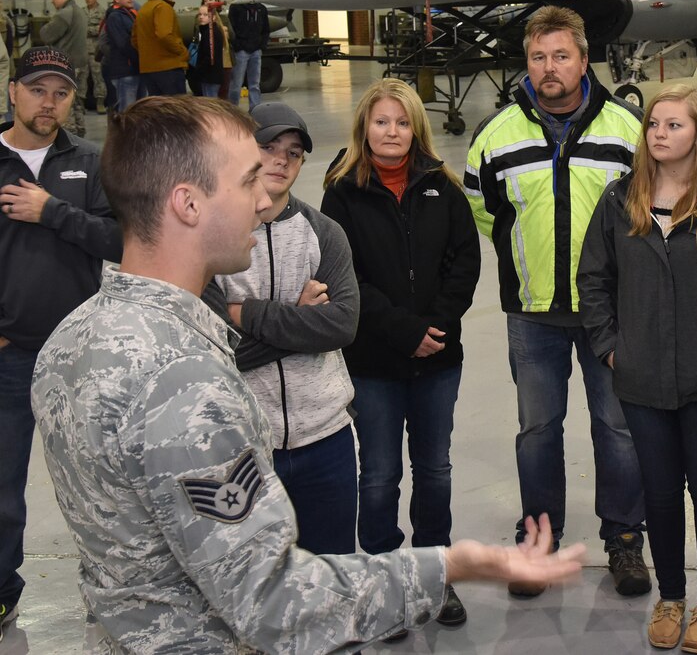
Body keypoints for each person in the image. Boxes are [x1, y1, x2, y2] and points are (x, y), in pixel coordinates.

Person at [30, 96, 585, 653]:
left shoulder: (73, 338)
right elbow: (275, 604)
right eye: (248, 180)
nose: (264, 197)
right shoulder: (185, 382)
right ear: (188, 204)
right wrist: (454, 565)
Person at [465, 5, 650, 599]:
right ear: (527, 63)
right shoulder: (496, 135)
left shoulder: (626, 130)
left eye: (561, 56)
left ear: (583, 59)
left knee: (617, 428)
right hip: (533, 312)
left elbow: (648, 206)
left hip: (609, 313)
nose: (550, 69)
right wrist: (523, 254)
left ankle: (624, 541)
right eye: (539, 58)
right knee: (538, 429)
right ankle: (538, 541)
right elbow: (480, 206)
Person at [578, 85, 697, 654]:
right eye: (654, 124)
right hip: (641, 377)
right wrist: (611, 348)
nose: (660, 134)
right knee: (660, 492)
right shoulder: (621, 199)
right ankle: (671, 598)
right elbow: (594, 280)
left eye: (674, 125)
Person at [322, 80, 481, 632]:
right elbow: (347, 277)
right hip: (374, 362)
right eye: (382, 121)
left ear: (417, 129)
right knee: (381, 476)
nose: (392, 132)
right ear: (364, 127)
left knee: (434, 471)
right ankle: (386, 584)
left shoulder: (442, 186)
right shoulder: (341, 193)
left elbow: (464, 263)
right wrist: (402, 329)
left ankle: (434, 577)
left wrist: (433, 327)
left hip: (437, 359)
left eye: (403, 122)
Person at [0, 46, 121, 637]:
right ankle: (1, 591)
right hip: (9, 356)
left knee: (101, 485)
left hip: (81, 357)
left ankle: (114, 590)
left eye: (62, 93)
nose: (49, 103)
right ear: (14, 91)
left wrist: (50, 211)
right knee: (1, 483)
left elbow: (121, 239)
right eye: (38, 89)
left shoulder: (91, 161)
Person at [204, 102, 359, 559]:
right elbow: (216, 354)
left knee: (332, 573)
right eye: (268, 147)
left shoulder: (324, 233)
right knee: (253, 583)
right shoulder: (216, 238)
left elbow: (341, 325)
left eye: (293, 152)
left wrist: (246, 313)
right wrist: (298, 319)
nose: (281, 160)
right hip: (245, 449)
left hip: (325, 438)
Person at [38, 0, 88, 136]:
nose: (52, 1)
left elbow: (46, 35)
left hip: (67, 64)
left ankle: (70, 135)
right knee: (78, 101)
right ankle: (80, 131)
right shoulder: (80, 12)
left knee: (65, 101)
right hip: (81, 63)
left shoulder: (64, 14)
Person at [131, 0, 188, 96]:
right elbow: (164, 35)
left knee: (159, 110)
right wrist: (182, 51)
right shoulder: (163, 7)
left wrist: (148, 53)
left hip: (148, 69)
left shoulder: (143, 9)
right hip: (169, 67)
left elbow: (134, 39)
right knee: (177, 109)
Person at [227, 0, 272, 110]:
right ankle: (233, 110)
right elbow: (231, 28)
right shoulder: (236, 7)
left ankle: (255, 109)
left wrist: (262, 45)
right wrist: (237, 45)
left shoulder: (261, 9)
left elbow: (266, 29)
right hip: (241, 51)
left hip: (256, 51)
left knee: (254, 84)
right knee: (236, 84)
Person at [101, 0, 140, 112]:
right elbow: (123, 44)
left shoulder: (131, 14)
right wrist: (139, 56)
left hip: (135, 69)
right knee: (126, 111)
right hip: (124, 71)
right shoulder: (115, 17)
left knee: (137, 111)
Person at [190, 3, 228, 98]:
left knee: (211, 101)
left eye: (205, 15)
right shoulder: (206, 31)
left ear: (213, 17)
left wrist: (198, 70)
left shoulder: (211, 33)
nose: (201, 17)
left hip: (211, 76)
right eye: (200, 14)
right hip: (208, 76)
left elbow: (210, 56)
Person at [201, 0, 234, 100]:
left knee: (223, 93)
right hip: (209, 65)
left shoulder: (223, 19)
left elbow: (233, 36)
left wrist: (226, 34)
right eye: (205, 1)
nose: (208, 2)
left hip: (224, 61)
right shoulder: (202, 20)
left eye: (210, 0)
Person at [82, 0, 107, 113]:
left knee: (98, 77)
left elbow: (101, 29)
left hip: (96, 51)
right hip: (83, 51)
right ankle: (81, 104)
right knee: (82, 78)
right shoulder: (81, 12)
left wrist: (87, 30)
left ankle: (100, 103)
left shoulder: (102, 12)